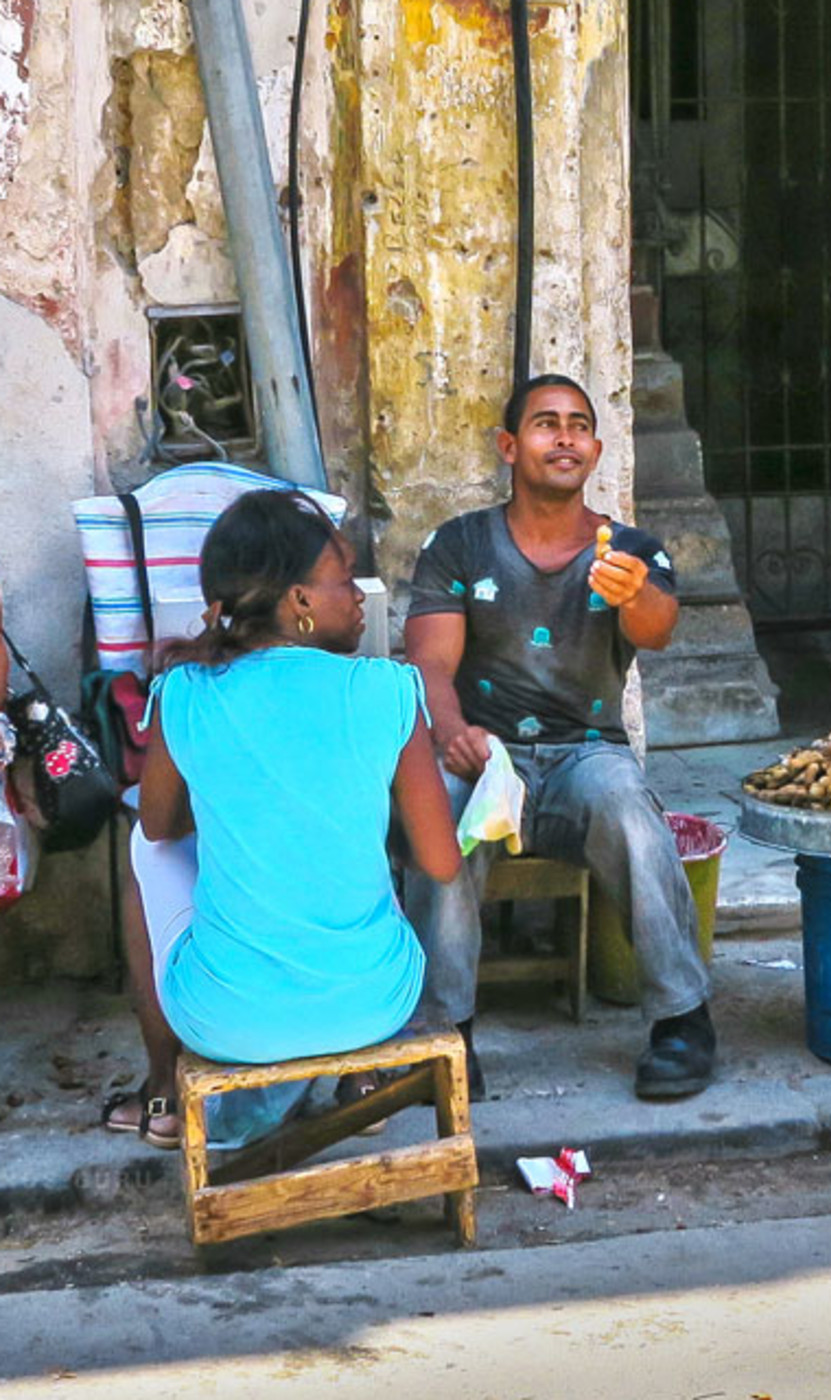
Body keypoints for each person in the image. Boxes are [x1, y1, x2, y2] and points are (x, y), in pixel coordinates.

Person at [102, 490, 459, 1148]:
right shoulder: (386, 689)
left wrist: (249, 804)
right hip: (375, 1002)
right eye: (344, 581)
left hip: (223, 1019)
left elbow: (159, 828)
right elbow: (440, 862)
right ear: (298, 602)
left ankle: (163, 1088)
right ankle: (364, 1080)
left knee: (141, 855)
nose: (357, 597)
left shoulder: (185, 692)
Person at [404, 373, 716, 1100]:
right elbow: (428, 662)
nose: (565, 436)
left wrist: (634, 590)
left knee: (631, 811)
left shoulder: (630, 550)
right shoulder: (458, 545)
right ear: (510, 446)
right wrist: (454, 736)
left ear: (597, 449)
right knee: (438, 816)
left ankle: (683, 1021)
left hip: (585, 754)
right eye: (546, 423)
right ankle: (446, 1039)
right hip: (486, 753)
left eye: (579, 424)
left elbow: (659, 631)